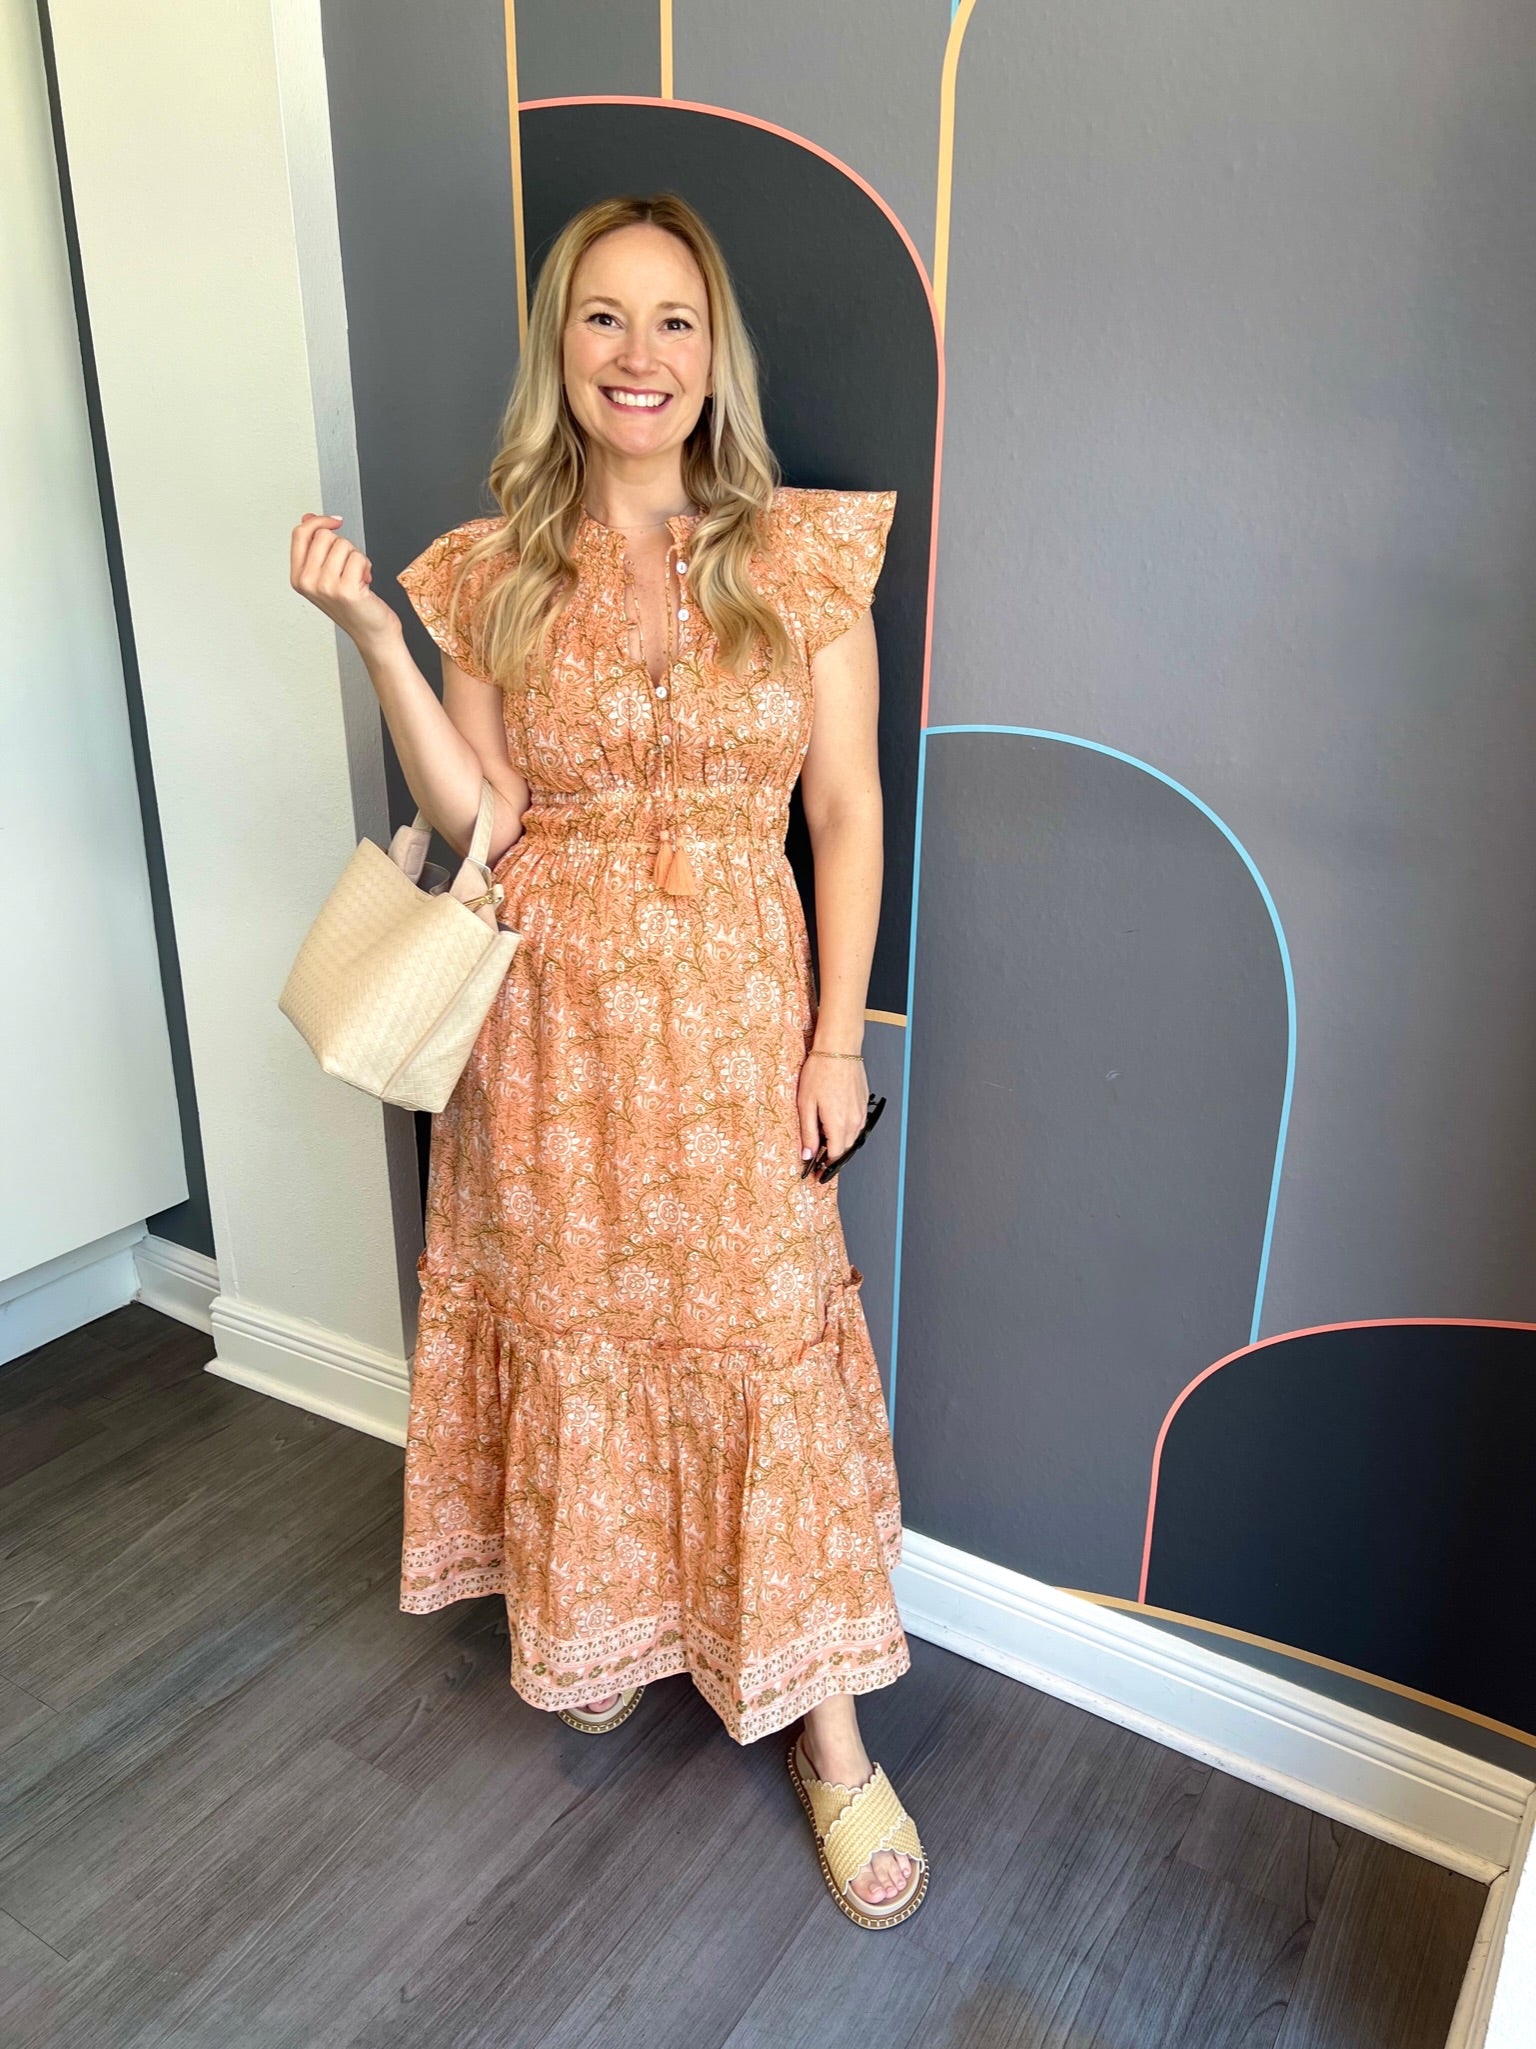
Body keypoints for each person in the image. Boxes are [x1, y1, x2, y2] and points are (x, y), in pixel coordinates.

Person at [289, 191, 928, 1928]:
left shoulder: (800, 559)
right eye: (602, 317)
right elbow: (483, 819)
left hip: (736, 1032)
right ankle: (607, 1624)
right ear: (558, 349)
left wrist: (836, 1038)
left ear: (714, 354)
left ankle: (830, 1737)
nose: (638, 355)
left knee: (761, 1352)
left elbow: (846, 810)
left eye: (671, 320)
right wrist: (379, 639)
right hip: (551, 1038)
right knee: (576, 1328)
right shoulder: (492, 568)